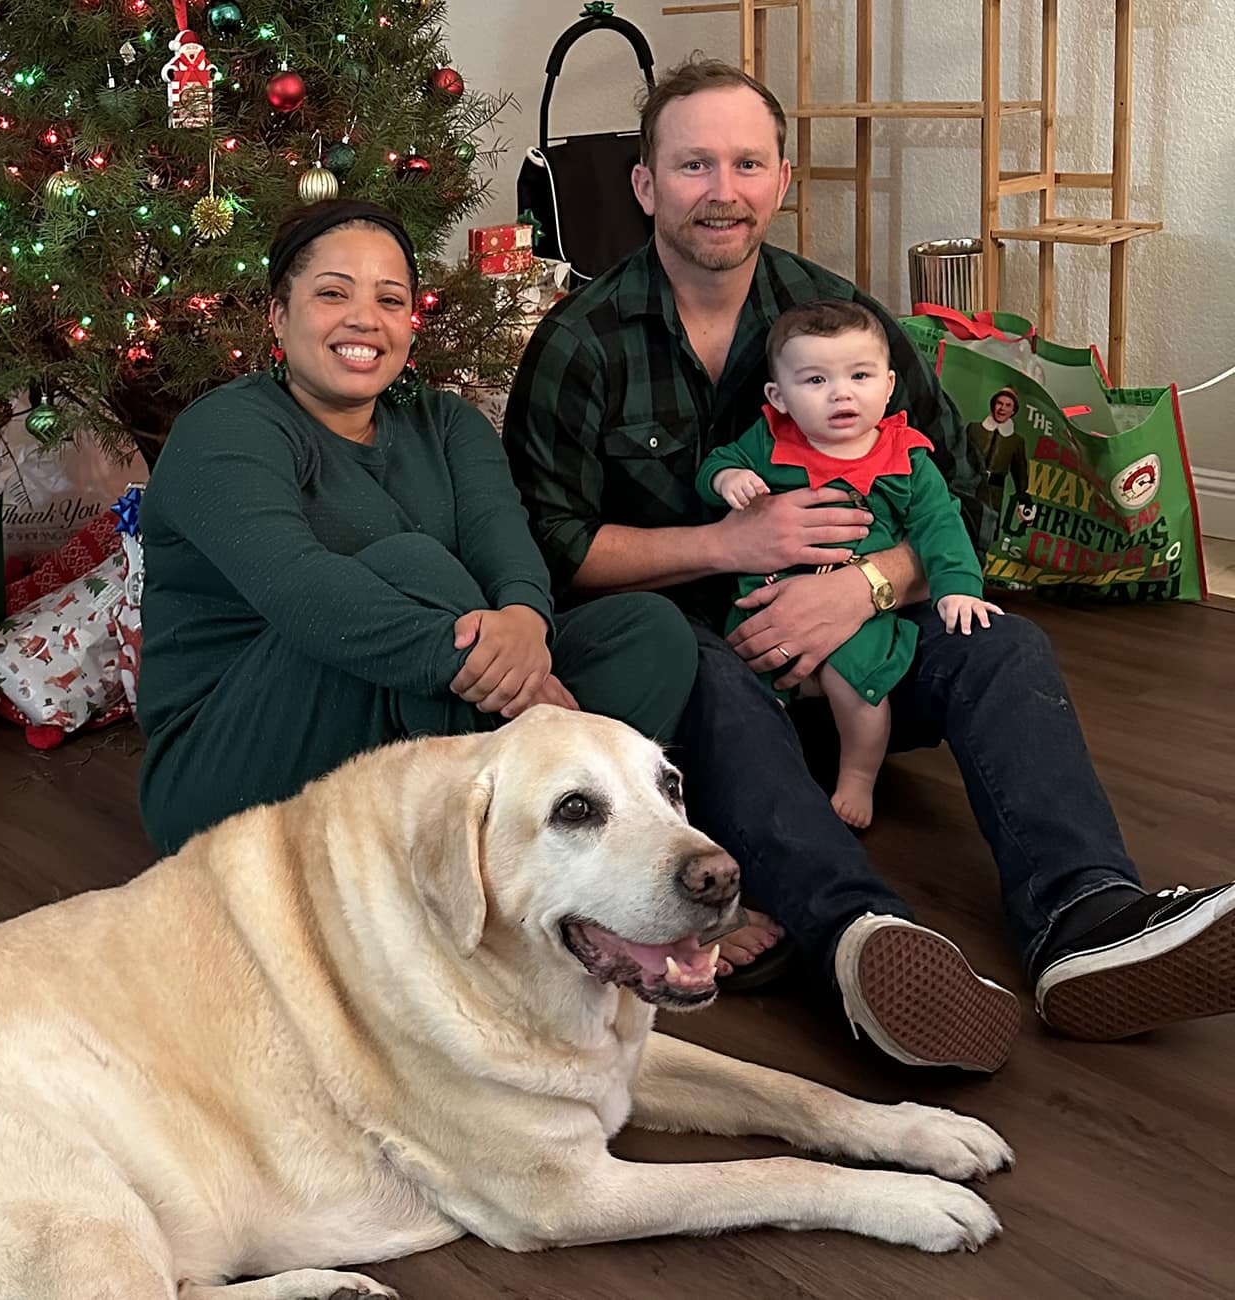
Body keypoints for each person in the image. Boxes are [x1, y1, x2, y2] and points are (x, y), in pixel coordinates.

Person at [502, 55, 1233, 1070]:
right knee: (693, 651)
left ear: (780, 179)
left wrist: (865, 586)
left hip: (866, 655)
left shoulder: (842, 322)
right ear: (643, 185)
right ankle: (859, 940)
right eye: (692, 166)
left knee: (1002, 647)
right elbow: (555, 552)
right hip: (703, 679)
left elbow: (968, 500)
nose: (722, 192)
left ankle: (1084, 915)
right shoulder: (580, 345)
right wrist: (727, 544)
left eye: (745, 163)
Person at [134, 199, 699, 863]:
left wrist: (523, 623)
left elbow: (504, 543)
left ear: (410, 320)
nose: (363, 319)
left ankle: (546, 851)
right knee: (413, 565)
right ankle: (535, 871)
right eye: (332, 293)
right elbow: (302, 589)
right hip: (234, 766)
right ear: (278, 317)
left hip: (422, 730)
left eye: (389, 298)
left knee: (648, 634)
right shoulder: (224, 431)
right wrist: (489, 674)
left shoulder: (447, 422)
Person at [699, 299, 1001, 828]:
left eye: (859, 376)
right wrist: (726, 481)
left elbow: (942, 525)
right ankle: (771, 778)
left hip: (855, 616)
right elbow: (719, 463)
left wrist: (958, 586)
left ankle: (858, 776)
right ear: (780, 397)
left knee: (855, 686)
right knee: (747, 690)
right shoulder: (769, 441)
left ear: (887, 385)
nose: (841, 392)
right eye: (814, 380)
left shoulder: (904, 456)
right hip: (763, 600)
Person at [965, 386, 1029, 523]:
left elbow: (1020, 474)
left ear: (1013, 411)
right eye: (999, 403)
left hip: (993, 494)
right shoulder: (974, 429)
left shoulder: (1016, 441)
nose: (1002, 408)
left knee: (985, 528)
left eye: (1008, 405)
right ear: (993, 405)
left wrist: (1024, 500)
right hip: (969, 486)